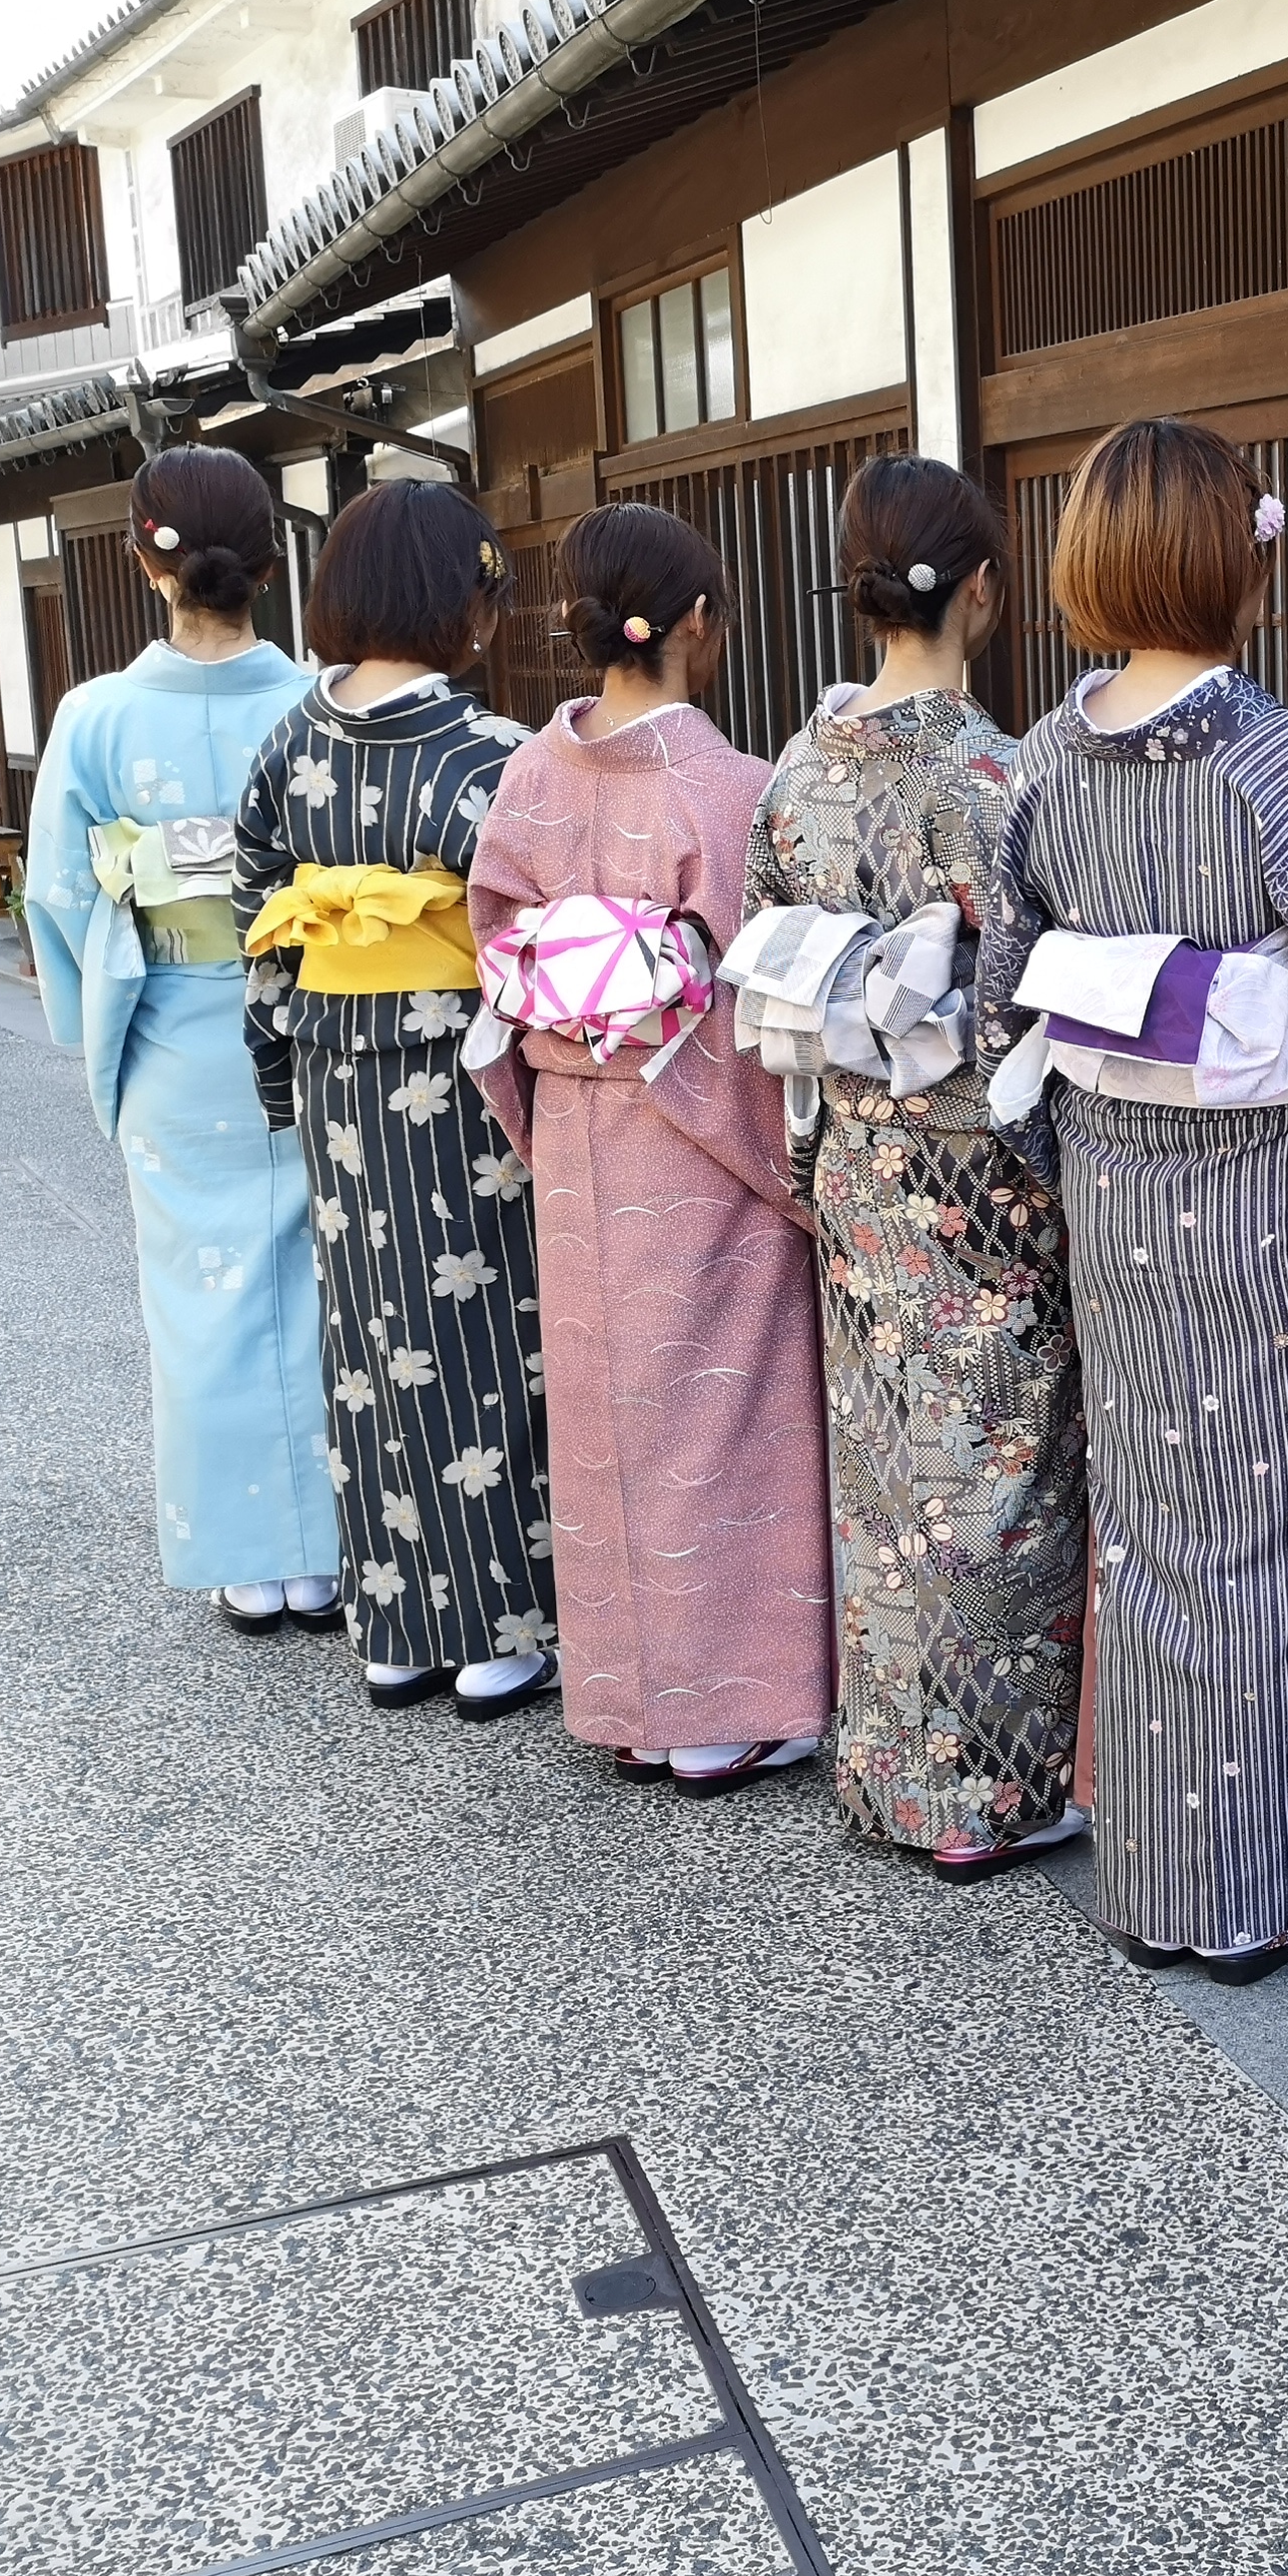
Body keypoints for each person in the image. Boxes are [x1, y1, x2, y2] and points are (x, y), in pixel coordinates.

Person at [973, 417, 1288, 1984]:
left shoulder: (1044, 765)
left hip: (1111, 1189)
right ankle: (1240, 1898)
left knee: (1148, 1526)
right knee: (1268, 1531)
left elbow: (1011, 999)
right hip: (1268, 1191)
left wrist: (1066, 1156)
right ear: (1243, 556)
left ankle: (1149, 1878)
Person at [733, 457, 1083, 1873]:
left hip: (857, 1153)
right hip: (978, 1162)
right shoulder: (1005, 774)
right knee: (997, 1462)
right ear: (984, 589)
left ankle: (888, 1775)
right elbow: (1026, 1002)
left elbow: (763, 971)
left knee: (886, 1470)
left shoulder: (794, 773)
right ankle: (988, 1793)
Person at [465, 504, 832, 1797]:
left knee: (611, 1411)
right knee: (719, 1412)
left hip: (573, 1137)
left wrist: (551, 1099)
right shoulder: (726, 791)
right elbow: (752, 1012)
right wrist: (803, 1183)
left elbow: (500, 967)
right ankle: (727, 1708)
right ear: (692, 624)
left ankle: (627, 1697)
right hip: (698, 1142)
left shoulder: (527, 776)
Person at [233, 480, 555, 1714]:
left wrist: (280, 1062)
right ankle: (490, 1629)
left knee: (366, 1334)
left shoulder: (291, 738)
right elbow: (531, 943)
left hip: (332, 1066)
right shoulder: (493, 758)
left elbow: (260, 919)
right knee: (479, 1334)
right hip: (460, 1076)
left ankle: (392, 1623)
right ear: (463, 604)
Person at [24, 446, 341, 1634]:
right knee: (323, 1279)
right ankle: (330, 1544)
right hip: (315, 1021)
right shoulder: (323, 704)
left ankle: (246, 1558)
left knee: (200, 1293)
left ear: (144, 565)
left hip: (168, 1031)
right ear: (271, 557)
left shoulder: (94, 717)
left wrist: (89, 1016)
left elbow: (61, 892)